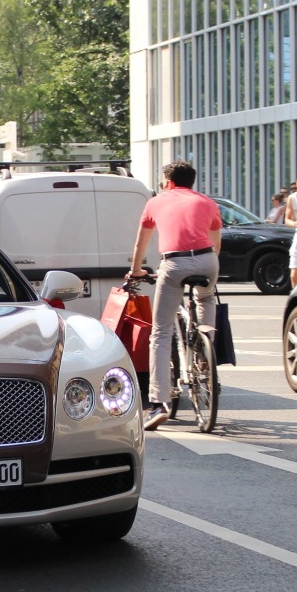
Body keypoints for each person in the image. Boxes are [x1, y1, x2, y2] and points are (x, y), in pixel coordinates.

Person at [128, 160, 223, 431]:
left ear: (168, 181)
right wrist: (209, 263)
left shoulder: (155, 202)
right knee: (205, 299)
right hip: (207, 261)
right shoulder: (207, 202)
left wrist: (136, 271)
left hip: (174, 264)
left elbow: (141, 243)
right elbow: (216, 242)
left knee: (160, 333)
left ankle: (159, 404)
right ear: (191, 181)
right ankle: (206, 353)